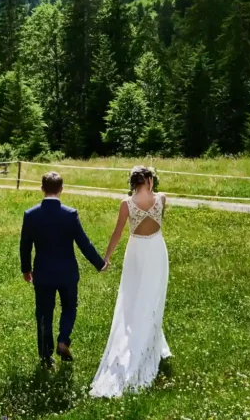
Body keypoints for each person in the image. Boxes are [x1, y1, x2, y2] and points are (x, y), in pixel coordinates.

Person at [90, 165, 172, 398]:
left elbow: (117, 233)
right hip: (155, 248)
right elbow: (158, 219)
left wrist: (106, 257)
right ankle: (149, 339)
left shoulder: (126, 204)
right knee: (152, 295)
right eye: (152, 178)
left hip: (136, 250)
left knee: (134, 296)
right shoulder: (162, 199)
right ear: (147, 180)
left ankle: (149, 338)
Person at [20, 171, 107, 366]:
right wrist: (99, 263)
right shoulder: (70, 214)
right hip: (67, 273)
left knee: (44, 313)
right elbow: (84, 243)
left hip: (42, 273)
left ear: (42, 188)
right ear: (61, 189)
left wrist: (26, 269)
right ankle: (63, 340)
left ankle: (45, 356)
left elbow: (25, 245)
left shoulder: (31, 215)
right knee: (69, 307)